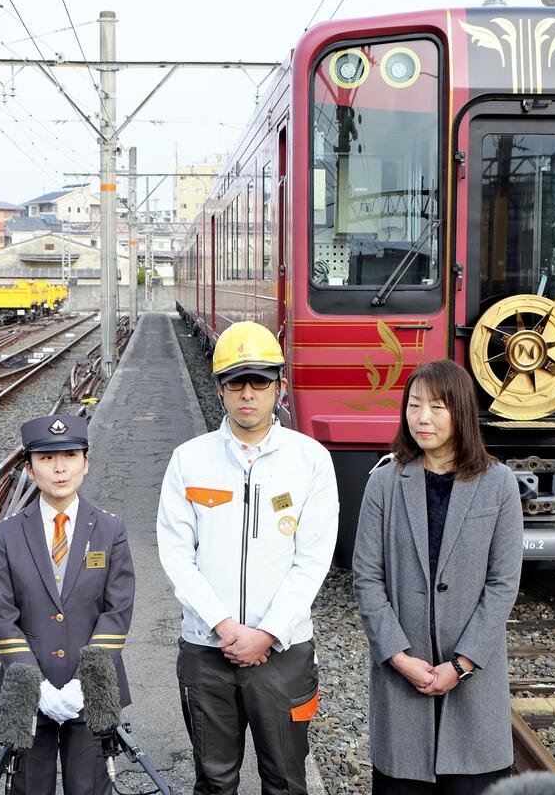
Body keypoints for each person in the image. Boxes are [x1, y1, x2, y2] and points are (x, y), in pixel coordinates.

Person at [156, 321, 339, 795]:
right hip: (206, 649)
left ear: (280, 386)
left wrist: (268, 632)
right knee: (215, 781)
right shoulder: (188, 460)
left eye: (260, 380)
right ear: (220, 389)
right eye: (236, 381)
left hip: (283, 652)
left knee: (285, 780)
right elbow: (177, 555)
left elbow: (313, 560)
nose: (248, 393)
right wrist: (223, 625)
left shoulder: (311, 460)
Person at [352, 359, 524, 795]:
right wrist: (397, 656)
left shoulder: (498, 483)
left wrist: (462, 664)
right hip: (402, 678)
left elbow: (503, 583)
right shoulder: (385, 483)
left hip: (473, 682)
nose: (422, 418)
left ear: (461, 412)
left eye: (437, 407)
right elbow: (366, 577)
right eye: (413, 405)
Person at [0, 414, 135, 795]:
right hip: (27, 687)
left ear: (86, 462)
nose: (59, 467)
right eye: (47, 458)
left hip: (91, 688)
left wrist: (83, 683)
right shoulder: (7, 533)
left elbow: (116, 612)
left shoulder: (109, 529)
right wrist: (37, 686)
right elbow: (2, 615)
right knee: (28, 786)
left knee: (89, 786)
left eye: (69, 455)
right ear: (30, 469)